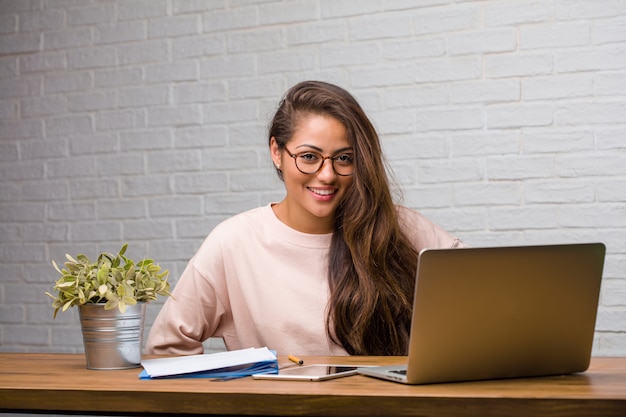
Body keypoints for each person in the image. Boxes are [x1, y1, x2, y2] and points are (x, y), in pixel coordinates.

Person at [145, 81, 462, 357]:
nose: (327, 175)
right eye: (309, 157)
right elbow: (167, 351)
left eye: (344, 159)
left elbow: (482, 300)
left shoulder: (398, 227)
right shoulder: (234, 243)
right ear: (277, 152)